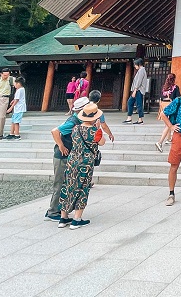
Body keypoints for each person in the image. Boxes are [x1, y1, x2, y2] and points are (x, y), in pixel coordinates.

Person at [46, 92, 114, 222]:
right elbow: (55, 131)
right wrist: (60, 145)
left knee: (67, 184)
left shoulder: (80, 124)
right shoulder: (74, 122)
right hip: (63, 155)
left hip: (72, 156)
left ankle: (63, 213)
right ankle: (53, 211)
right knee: (61, 183)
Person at [155, 74, 180, 152]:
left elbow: (160, 96)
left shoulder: (164, 88)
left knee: (167, 123)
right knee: (168, 124)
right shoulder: (175, 88)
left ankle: (169, 139)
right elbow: (177, 98)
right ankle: (160, 142)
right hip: (171, 106)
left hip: (163, 105)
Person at [125, 58, 147, 124]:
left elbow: (139, 81)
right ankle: (129, 118)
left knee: (138, 104)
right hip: (137, 90)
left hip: (138, 90)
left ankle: (140, 119)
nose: (134, 66)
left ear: (138, 64)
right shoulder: (141, 70)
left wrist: (135, 90)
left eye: (135, 64)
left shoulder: (141, 71)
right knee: (130, 102)